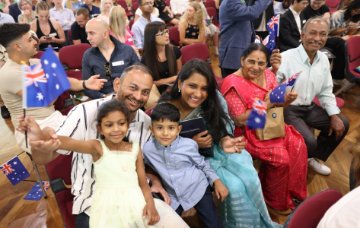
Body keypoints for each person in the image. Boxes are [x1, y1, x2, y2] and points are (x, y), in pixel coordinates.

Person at [18, 64, 189, 228]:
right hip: (93, 203)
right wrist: (41, 142)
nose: (138, 97)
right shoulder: (85, 114)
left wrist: (155, 180)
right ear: (117, 84)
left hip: (134, 198)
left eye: (145, 92)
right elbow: (49, 152)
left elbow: (142, 168)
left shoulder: (145, 123)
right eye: (133, 88)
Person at [160, 59, 280, 228]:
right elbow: (161, 150)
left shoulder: (214, 98)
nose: (198, 94)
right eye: (192, 86)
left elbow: (226, 124)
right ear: (180, 83)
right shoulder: (165, 108)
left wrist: (224, 139)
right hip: (192, 161)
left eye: (204, 89)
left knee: (251, 178)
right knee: (235, 188)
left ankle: (259, 223)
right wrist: (192, 144)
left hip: (219, 148)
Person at [220, 43, 308, 213]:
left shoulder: (268, 75)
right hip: (248, 133)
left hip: (271, 125)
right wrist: (268, 103)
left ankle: (291, 192)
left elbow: (278, 100)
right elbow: (240, 120)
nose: (256, 67)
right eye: (251, 62)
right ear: (242, 60)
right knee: (281, 159)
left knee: (298, 144)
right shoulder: (232, 84)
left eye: (261, 63)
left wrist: (287, 99)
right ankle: (274, 199)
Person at [0, 23, 105, 152]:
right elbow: (48, 99)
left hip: (52, 119)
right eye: (29, 39)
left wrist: (84, 83)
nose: (35, 42)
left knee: (100, 120)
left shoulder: (33, 63)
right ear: (17, 47)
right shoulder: (10, 74)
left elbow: (61, 81)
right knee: (96, 131)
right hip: (35, 131)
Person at [277, 17, 350, 176]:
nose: (317, 38)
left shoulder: (323, 59)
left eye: (323, 34)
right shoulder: (285, 58)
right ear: (302, 35)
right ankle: (298, 164)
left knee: (343, 123)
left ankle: (314, 158)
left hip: (309, 107)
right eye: (313, 33)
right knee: (309, 141)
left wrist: (333, 114)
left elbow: (325, 90)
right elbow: (269, 88)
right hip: (288, 109)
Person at [143, 102, 228, 228]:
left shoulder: (189, 145)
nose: (165, 133)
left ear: (178, 129)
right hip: (174, 196)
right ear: (152, 129)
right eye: (159, 127)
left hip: (198, 188)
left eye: (171, 128)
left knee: (213, 224)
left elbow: (202, 164)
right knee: (166, 223)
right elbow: (148, 168)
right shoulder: (148, 149)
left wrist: (216, 181)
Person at [82, 18, 139, 99]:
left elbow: (139, 76)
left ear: (105, 34)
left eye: (91, 33)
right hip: (103, 100)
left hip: (128, 96)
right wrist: (104, 97)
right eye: (87, 33)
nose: (88, 38)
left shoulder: (127, 50)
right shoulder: (88, 55)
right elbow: (87, 87)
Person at [219, 0, 271, 77]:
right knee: (234, 86)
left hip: (240, 52)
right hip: (233, 56)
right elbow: (252, 12)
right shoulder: (231, 1)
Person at [142, 21, 182, 94]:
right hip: (156, 93)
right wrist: (172, 79)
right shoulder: (145, 58)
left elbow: (180, 75)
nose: (167, 35)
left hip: (174, 89)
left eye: (166, 31)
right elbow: (150, 83)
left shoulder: (175, 50)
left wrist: (161, 82)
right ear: (152, 37)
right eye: (162, 33)